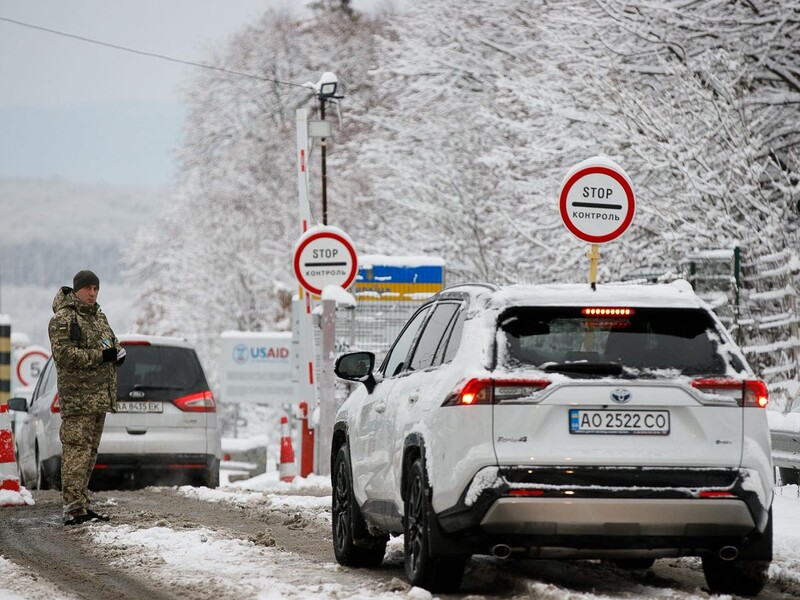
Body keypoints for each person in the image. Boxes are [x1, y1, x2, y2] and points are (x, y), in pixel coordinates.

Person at [48, 270, 125, 526]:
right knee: (76, 453)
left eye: (96, 289)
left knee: (89, 454)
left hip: (99, 398)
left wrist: (117, 353)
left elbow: (110, 343)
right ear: (76, 289)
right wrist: (101, 356)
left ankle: (81, 505)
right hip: (79, 400)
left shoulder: (99, 317)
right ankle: (72, 508)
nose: (92, 293)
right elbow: (66, 356)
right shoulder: (64, 319)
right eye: (87, 288)